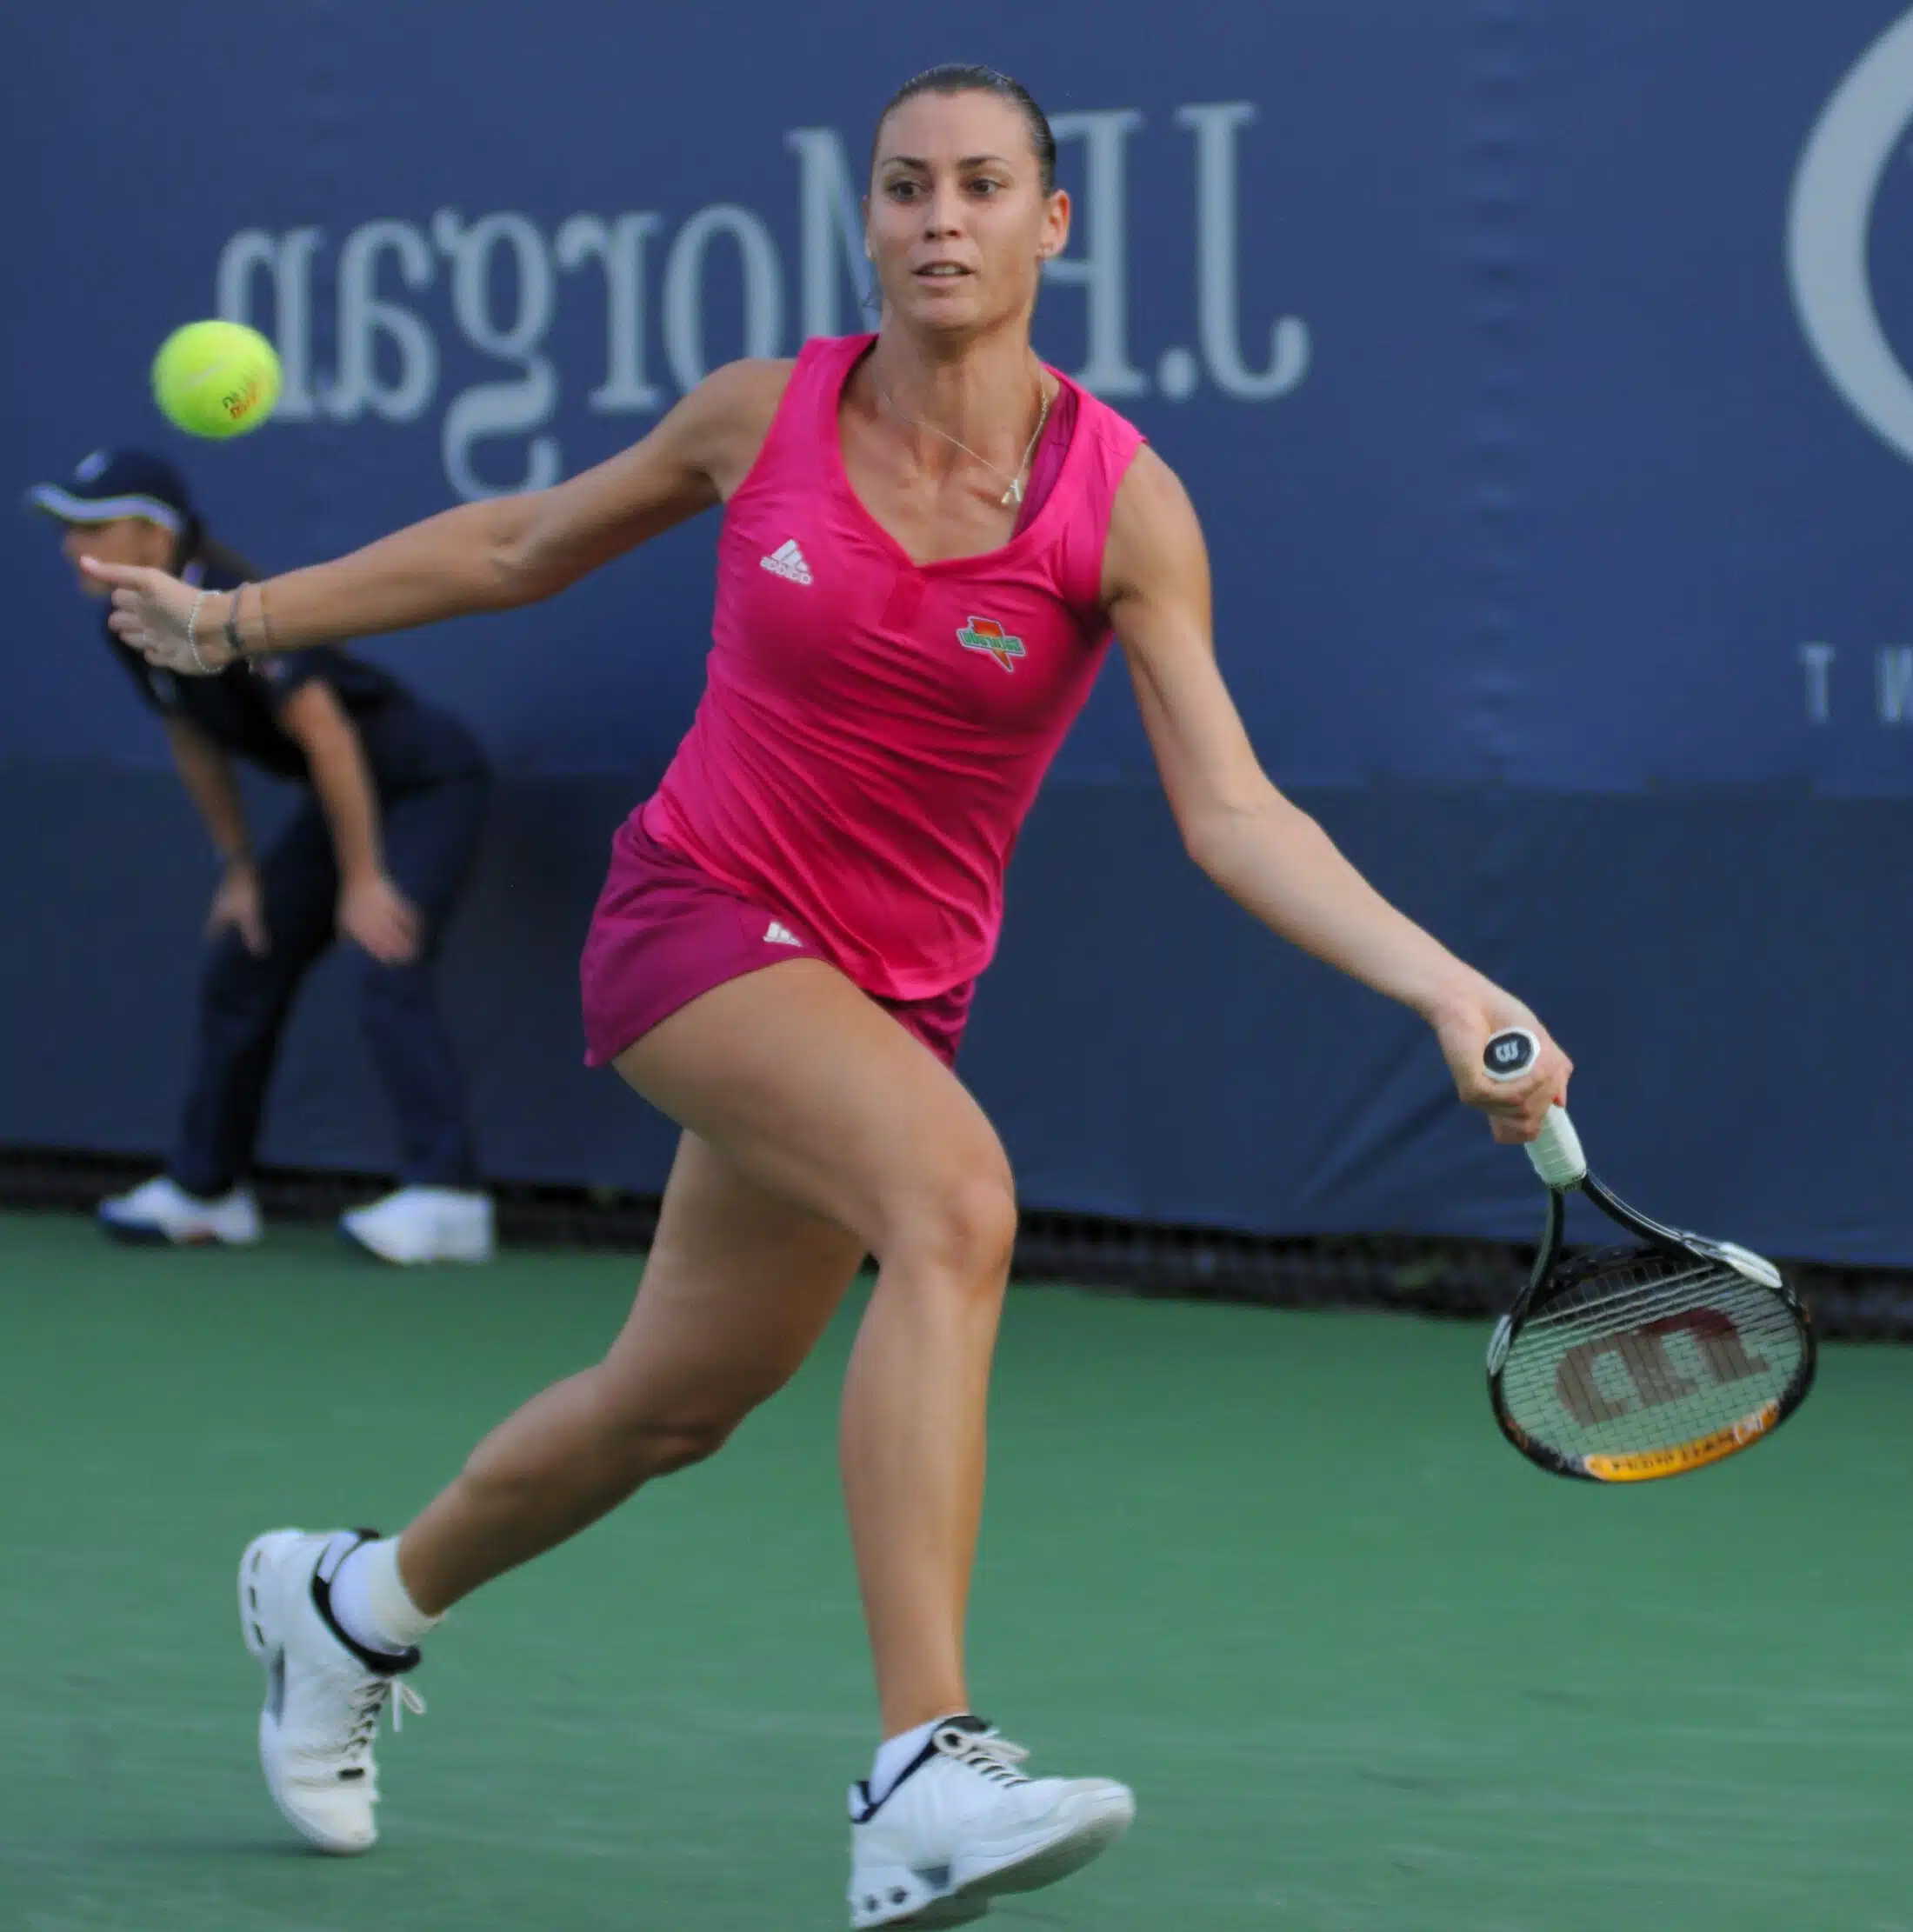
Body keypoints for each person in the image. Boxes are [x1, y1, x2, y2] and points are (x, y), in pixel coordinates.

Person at [91, 65, 1572, 1929]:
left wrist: (1447, 985)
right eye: (902, 186)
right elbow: (511, 547)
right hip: (693, 920)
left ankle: (348, 1604)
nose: (936, 218)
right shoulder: (759, 416)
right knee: (951, 1203)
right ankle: (914, 1772)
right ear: (865, 218)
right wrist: (236, 620)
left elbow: (1231, 809)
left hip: (883, 1003)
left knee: (671, 1402)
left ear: (1051, 226)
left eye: (977, 187)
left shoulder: (1120, 507)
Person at [31, 449, 497, 1265]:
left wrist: (362, 881)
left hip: (425, 783)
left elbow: (328, 735)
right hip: (343, 800)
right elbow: (192, 739)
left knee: (383, 955)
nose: (72, 544)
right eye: (67, 528)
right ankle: (209, 1192)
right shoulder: (131, 619)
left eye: (91, 526)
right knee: (247, 961)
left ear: (152, 533)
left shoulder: (230, 604)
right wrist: (240, 866)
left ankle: (449, 1196)